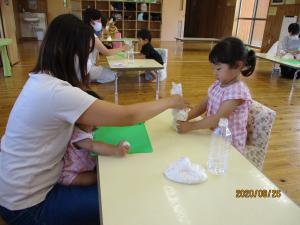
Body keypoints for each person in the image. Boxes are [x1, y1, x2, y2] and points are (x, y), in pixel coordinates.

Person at [0, 14, 187, 225]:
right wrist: (171, 101)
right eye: (87, 54)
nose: (89, 61)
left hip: (17, 193)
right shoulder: (56, 92)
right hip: (28, 207)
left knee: (113, 182)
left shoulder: (41, 81)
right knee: (122, 199)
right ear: (65, 51)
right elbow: (128, 116)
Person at [176, 37, 256, 154]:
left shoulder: (237, 92)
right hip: (212, 134)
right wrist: (186, 116)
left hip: (228, 145)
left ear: (237, 65)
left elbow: (218, 119)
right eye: (213, 68)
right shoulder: (218, 84)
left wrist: (190, 126)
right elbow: (203, 105)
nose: (214, 73)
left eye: (218, 68)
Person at [58, 90, 130, 187]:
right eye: (95, 116)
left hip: (84, 165)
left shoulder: (85, 127)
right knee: (95, 178)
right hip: (71, 174)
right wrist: (115, 150)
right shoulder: (78, 136)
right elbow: (93, 146)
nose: (98, 119)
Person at [83, 8, 127, 83]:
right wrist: (123, 48)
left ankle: (91, 78)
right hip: (86, 70)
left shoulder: (85, 32)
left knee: (110, 69)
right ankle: (89, 78)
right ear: (91, 22)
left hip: (84, 67)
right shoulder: (91, 36)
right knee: (118, 73)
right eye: (99, 21)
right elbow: (107, 52)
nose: (100, 23)